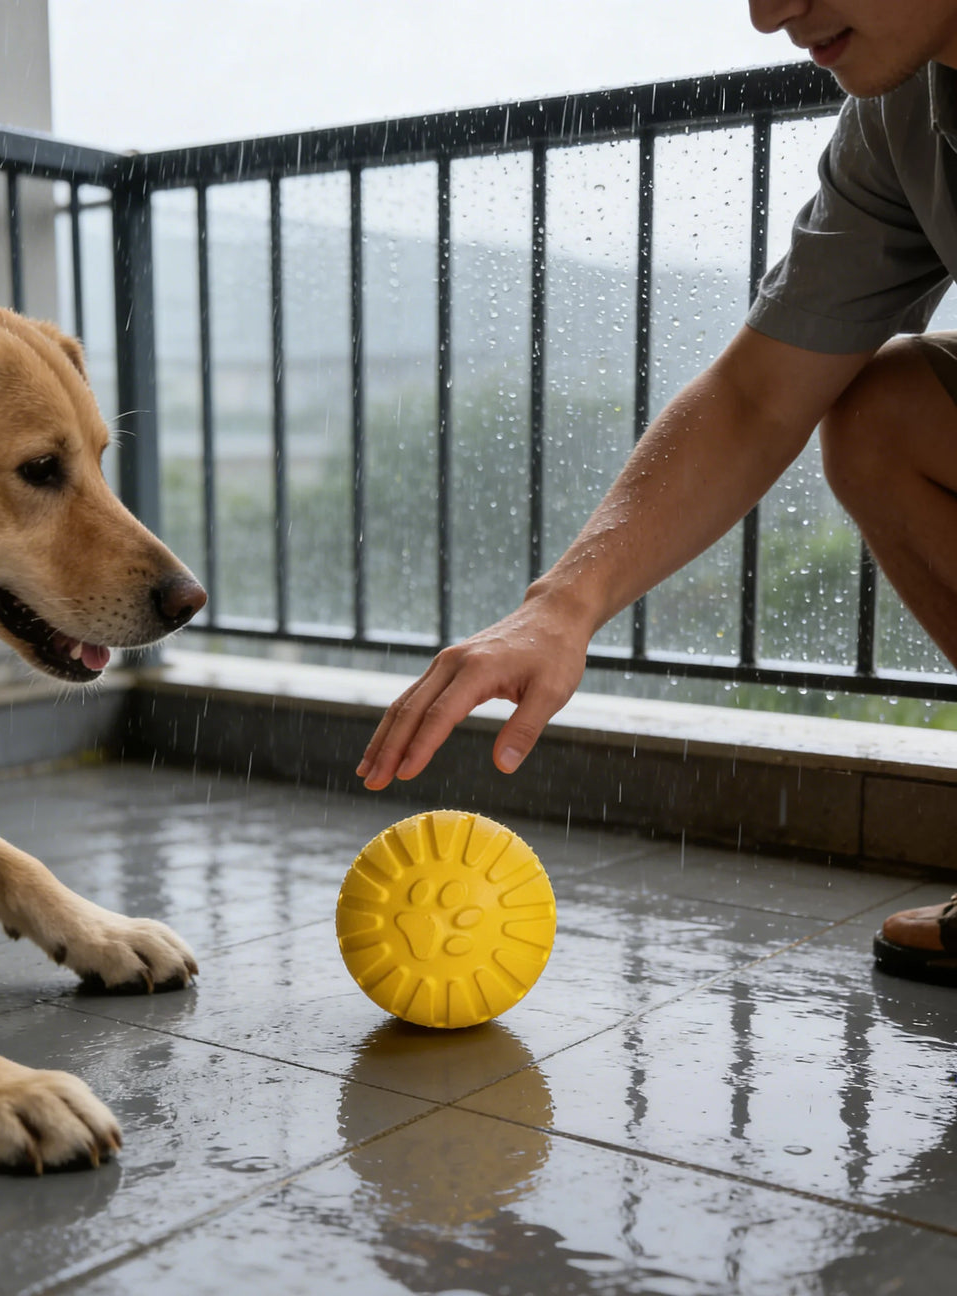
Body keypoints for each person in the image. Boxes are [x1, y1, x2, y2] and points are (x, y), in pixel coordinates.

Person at [357, 0, 957, 986]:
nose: (770, 13)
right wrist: (562, 606)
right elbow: (759, 398)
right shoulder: (901, 116)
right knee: (884, 418)